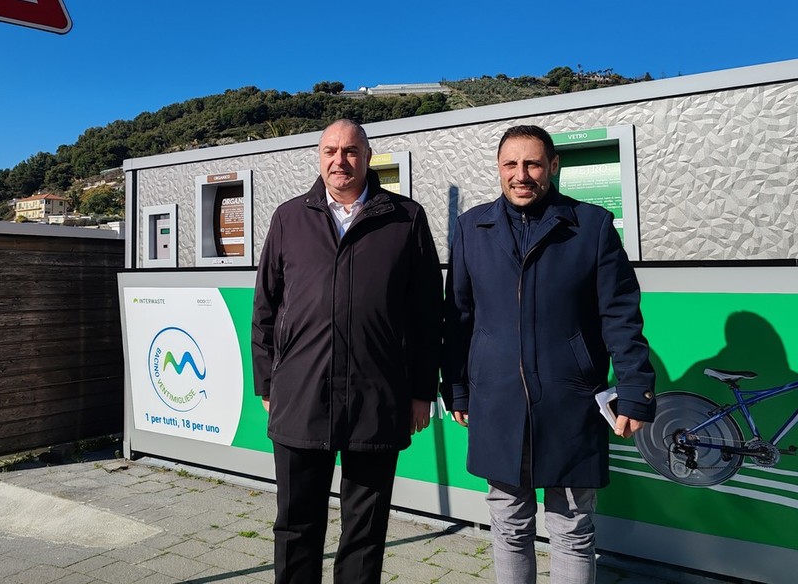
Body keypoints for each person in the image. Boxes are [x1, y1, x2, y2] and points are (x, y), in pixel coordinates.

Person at [441, 124, 655, 584]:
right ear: (499, 168)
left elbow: (620, 315)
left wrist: (636, 390)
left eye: (533, 164)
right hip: (497, 400)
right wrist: (456, 387)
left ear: (553, 166)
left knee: (573, 529)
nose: (521, 175)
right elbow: (458, 316)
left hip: (571, 400)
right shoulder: (471, 228)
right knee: (508, 525)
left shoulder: (591, 226)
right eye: (511, 164)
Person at [252, 119, 443, 584]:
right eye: (330, 151)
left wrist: (422, 391)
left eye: (351, 151)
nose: (340, 160)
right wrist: (267, 383)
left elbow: (427, 314)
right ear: (319, 157)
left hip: (376, 396)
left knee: (365, 530)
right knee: (295, 525)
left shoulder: (405, 217)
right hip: (301, 393)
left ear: (368, 157)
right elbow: (265, 308)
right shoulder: (289, 217)